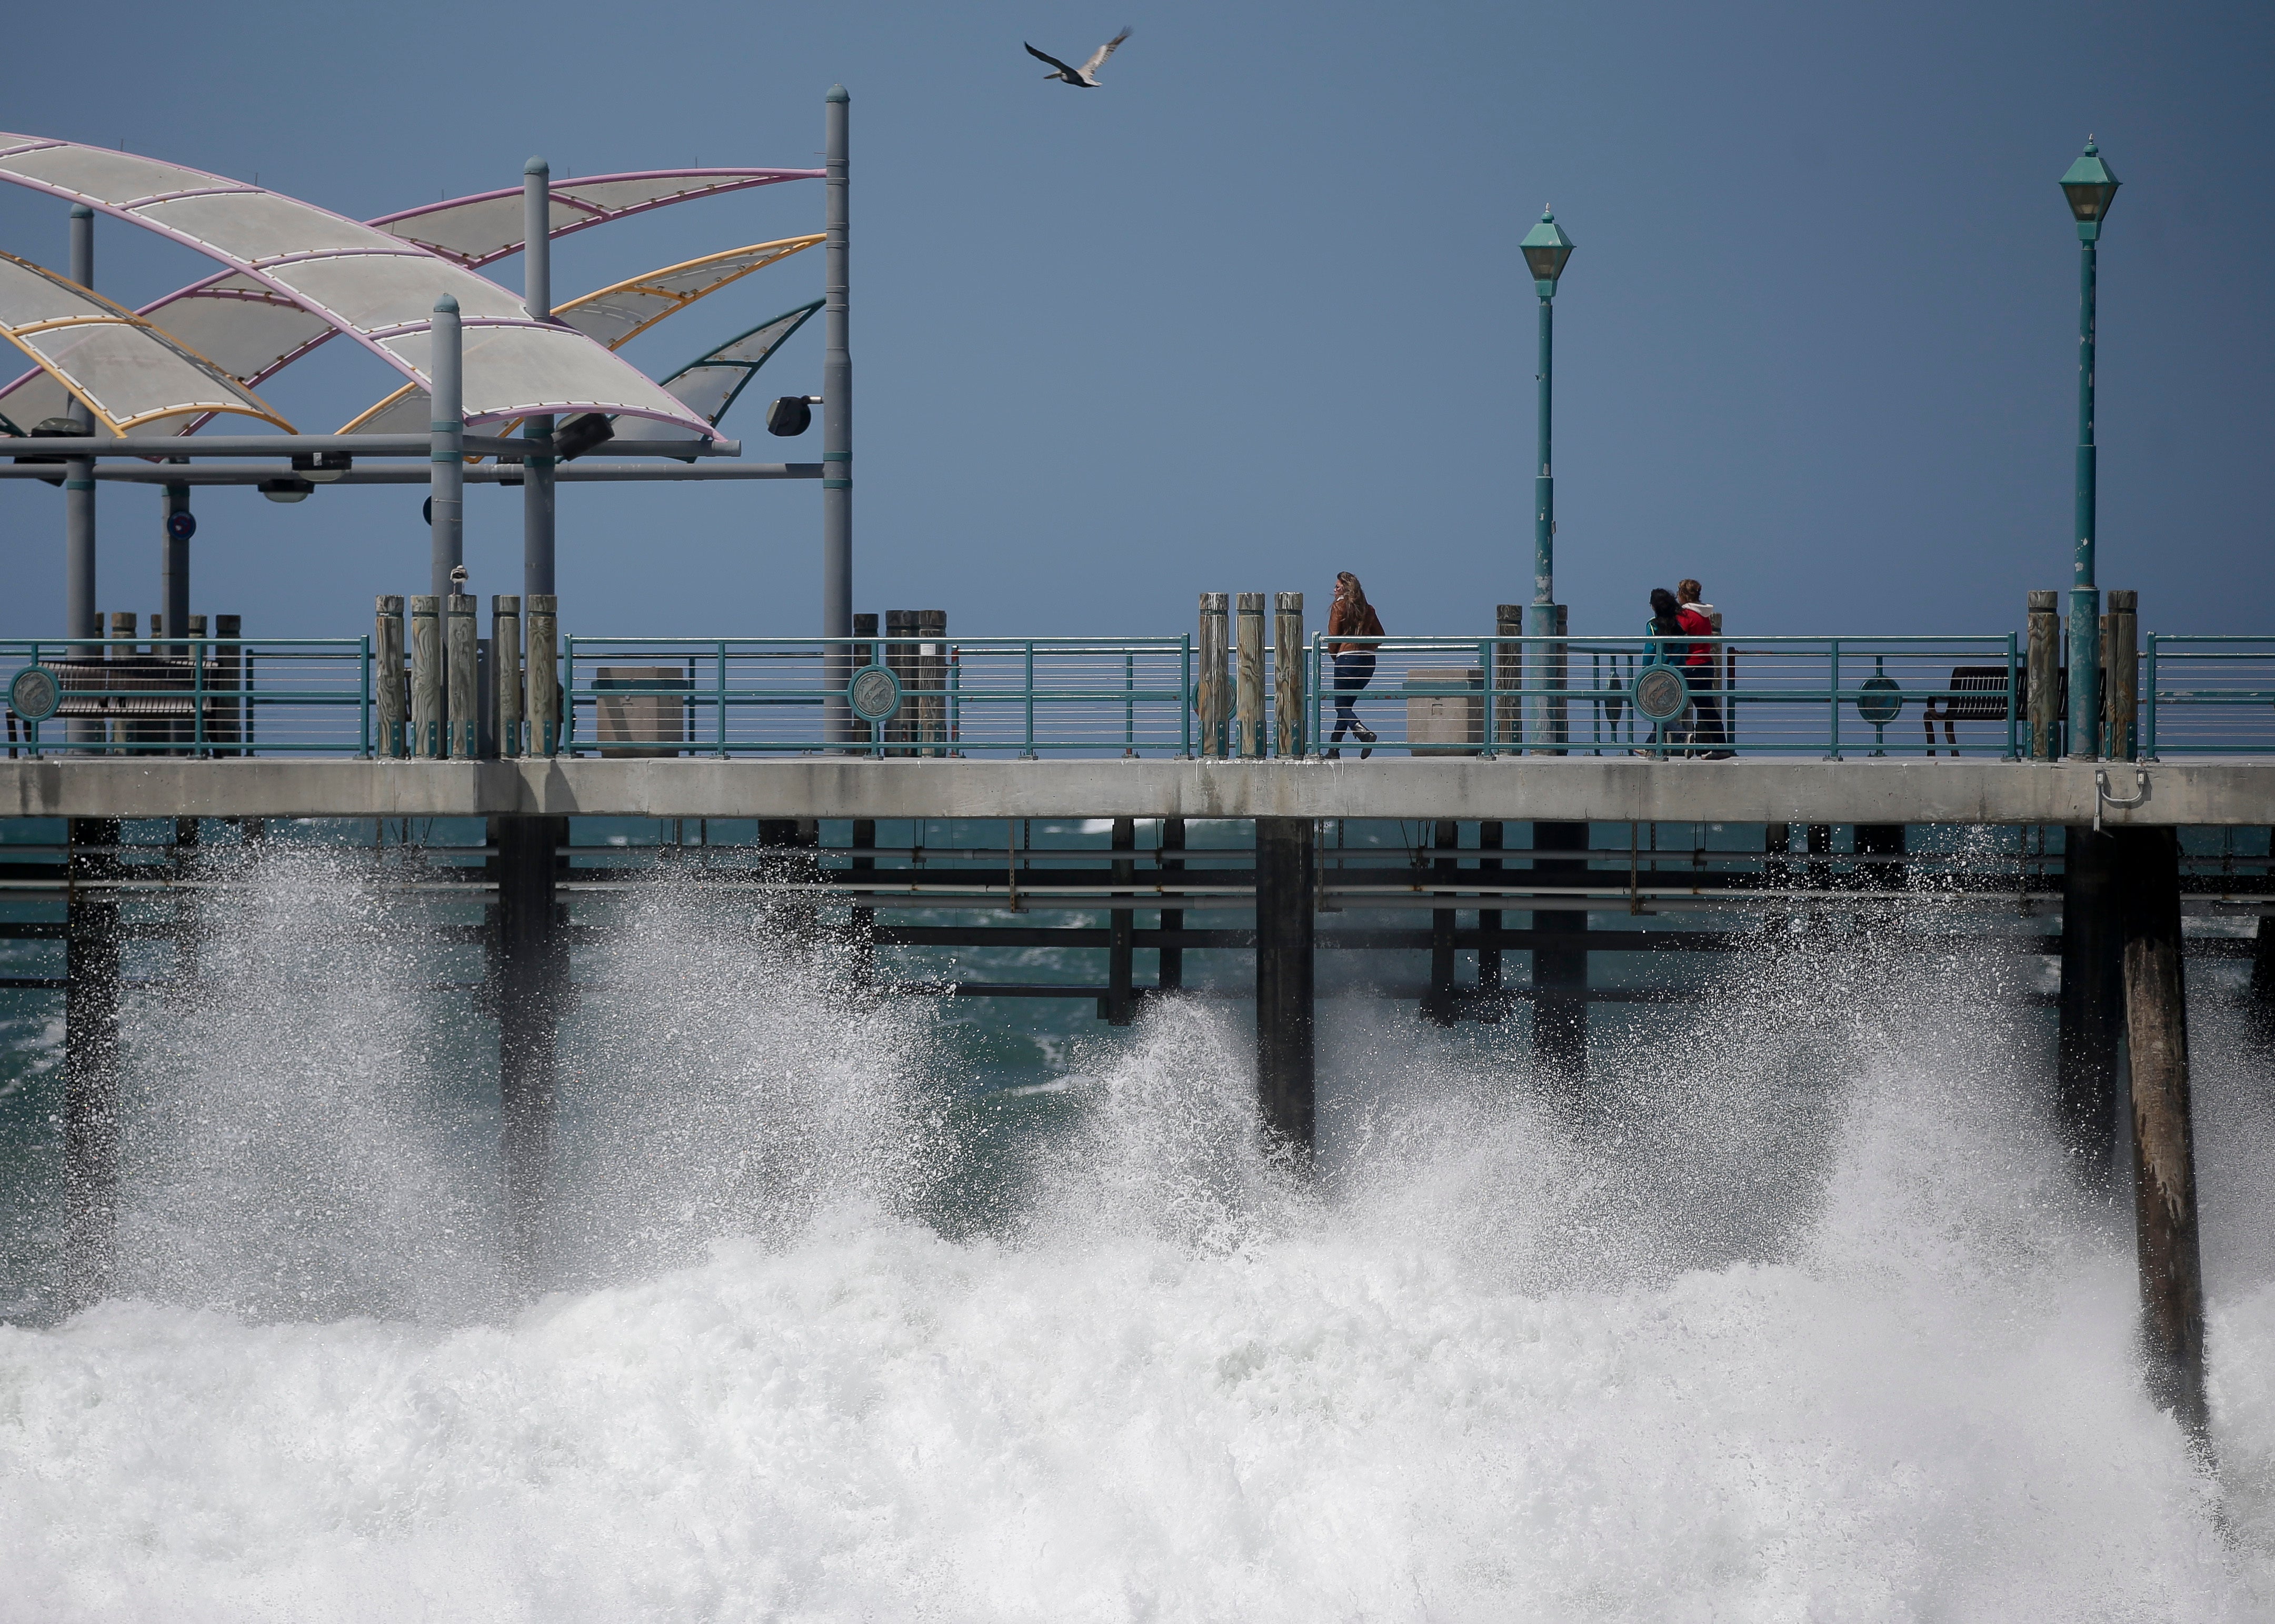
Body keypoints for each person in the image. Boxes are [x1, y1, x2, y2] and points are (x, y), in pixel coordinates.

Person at [1326, 571, 1383, 758]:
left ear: (1345, 589)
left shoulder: (1339, 606)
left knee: (1341, 705)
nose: (1334, 590)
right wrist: (1366, 646)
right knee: (1346, 705)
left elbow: (1333, 638)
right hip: (1368, 662)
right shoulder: (1368, 608)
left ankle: (1363, 733)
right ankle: (1334, 749)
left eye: (1337, 587)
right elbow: (1381, 637)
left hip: (1347, 660)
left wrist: (1336, 655)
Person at [1675, 580, 1731, 757]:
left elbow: (1676, 639)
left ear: (1683, 595)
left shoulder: (1685, 615)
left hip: (1690, 666)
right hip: (1706, 664)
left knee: (1666, 703)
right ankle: (1721, 746)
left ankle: (1658, 744)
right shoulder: (1704, 615)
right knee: (1707, 709)